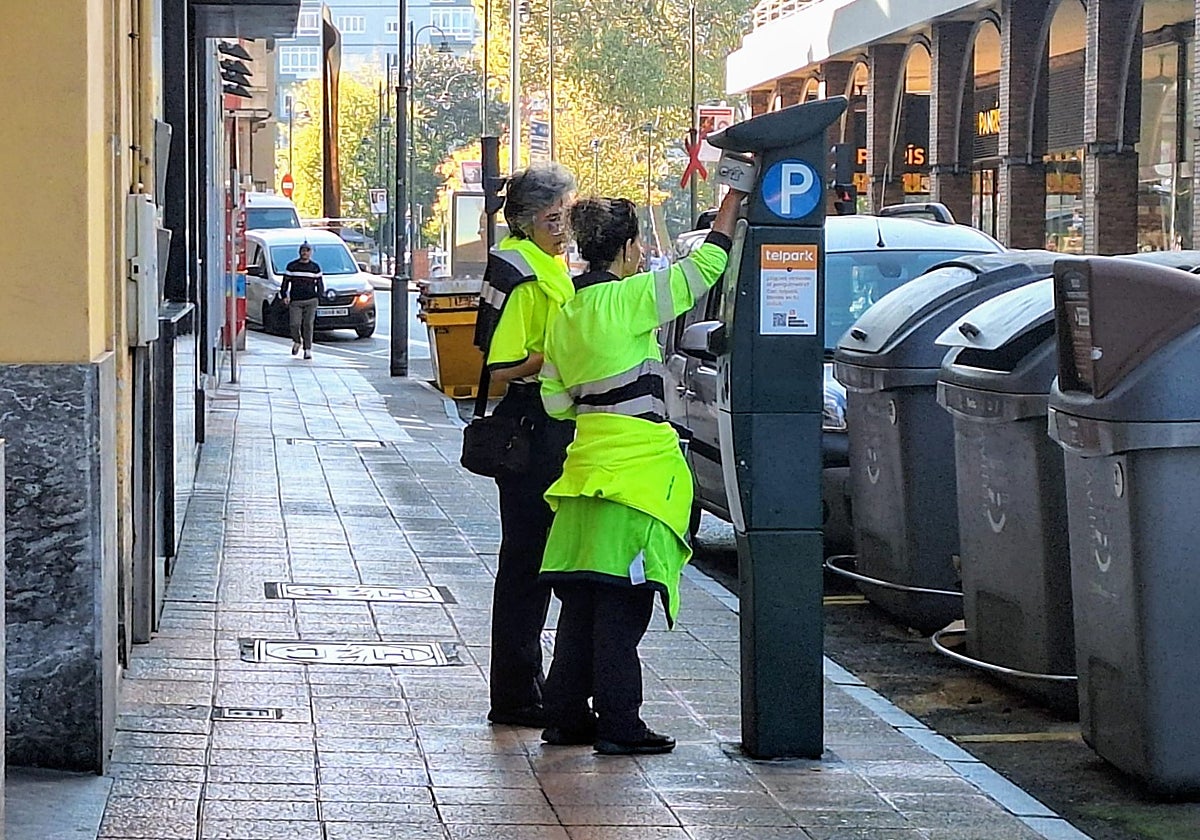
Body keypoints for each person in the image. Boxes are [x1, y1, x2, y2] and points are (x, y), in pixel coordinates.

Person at [537, 187, 746, 755]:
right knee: (623, 615)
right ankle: (619, 724)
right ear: (629, 248)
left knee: (583, 607)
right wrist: (732, 199)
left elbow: (557, 404)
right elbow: (704, 266)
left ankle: (564, 716)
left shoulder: (566, 315)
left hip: (582, 482)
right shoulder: (631, 299)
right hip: (635, 485)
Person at [474, 162, 578, 728]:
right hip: (532, 428)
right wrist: (555, 358)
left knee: (537, 562)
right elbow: (498, 367)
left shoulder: (544, 264)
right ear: (535, 218)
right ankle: (515, 694)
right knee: (526, 564)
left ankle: (526, 684)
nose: (565, 227)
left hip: (549, 425)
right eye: (557, 216)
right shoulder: (526, 273)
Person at [281, 243, 324, 360]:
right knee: (294, 324)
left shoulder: (315, 267)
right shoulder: (292, 266)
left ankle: (308, 349)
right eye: (303, 251)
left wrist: (319, 297)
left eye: (307, 251)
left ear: (311, 253)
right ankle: (297, 341)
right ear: (299, 252)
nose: (305, 253)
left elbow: (320, 284)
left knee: (308, 324)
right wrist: (284, 295)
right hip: (296, 300)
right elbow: (285, 283)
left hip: (311, 300)